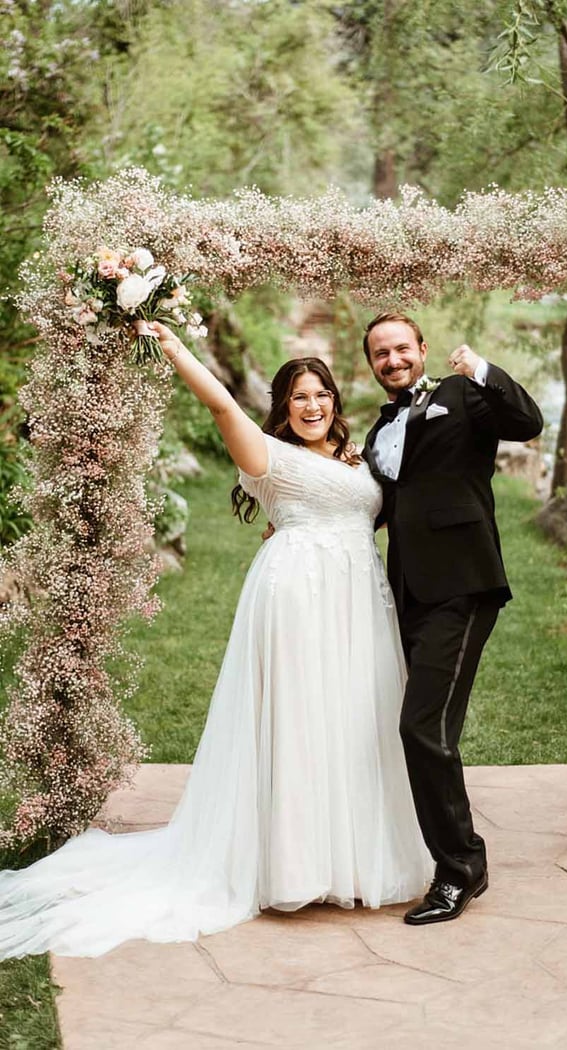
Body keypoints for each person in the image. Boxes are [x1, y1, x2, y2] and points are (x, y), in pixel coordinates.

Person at [0, 321, 432, 960]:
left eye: (321, 396)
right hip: (297, 596)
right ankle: (294, 865)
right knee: (299, 720)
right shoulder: (264, 454)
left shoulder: (358, 457)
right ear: (282, 409)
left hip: (359, 599)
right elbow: (220, 404)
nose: (311, 407)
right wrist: (176, 349)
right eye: (298, 398)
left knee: (355, 718)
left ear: (336, 402)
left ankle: (356, 855)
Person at [361, 312, 544, 926]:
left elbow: (528, 422)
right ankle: (455, 856)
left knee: (424, 728)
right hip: (407, 592)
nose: (392, 360)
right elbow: (380, 505)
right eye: (380, 354)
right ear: (373, 365)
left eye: (401, 349)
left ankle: (460, 870)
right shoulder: (378, 431)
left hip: (463, 584)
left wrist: (483, 370)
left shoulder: (462, 393)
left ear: (423, 349)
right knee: (424, 729)